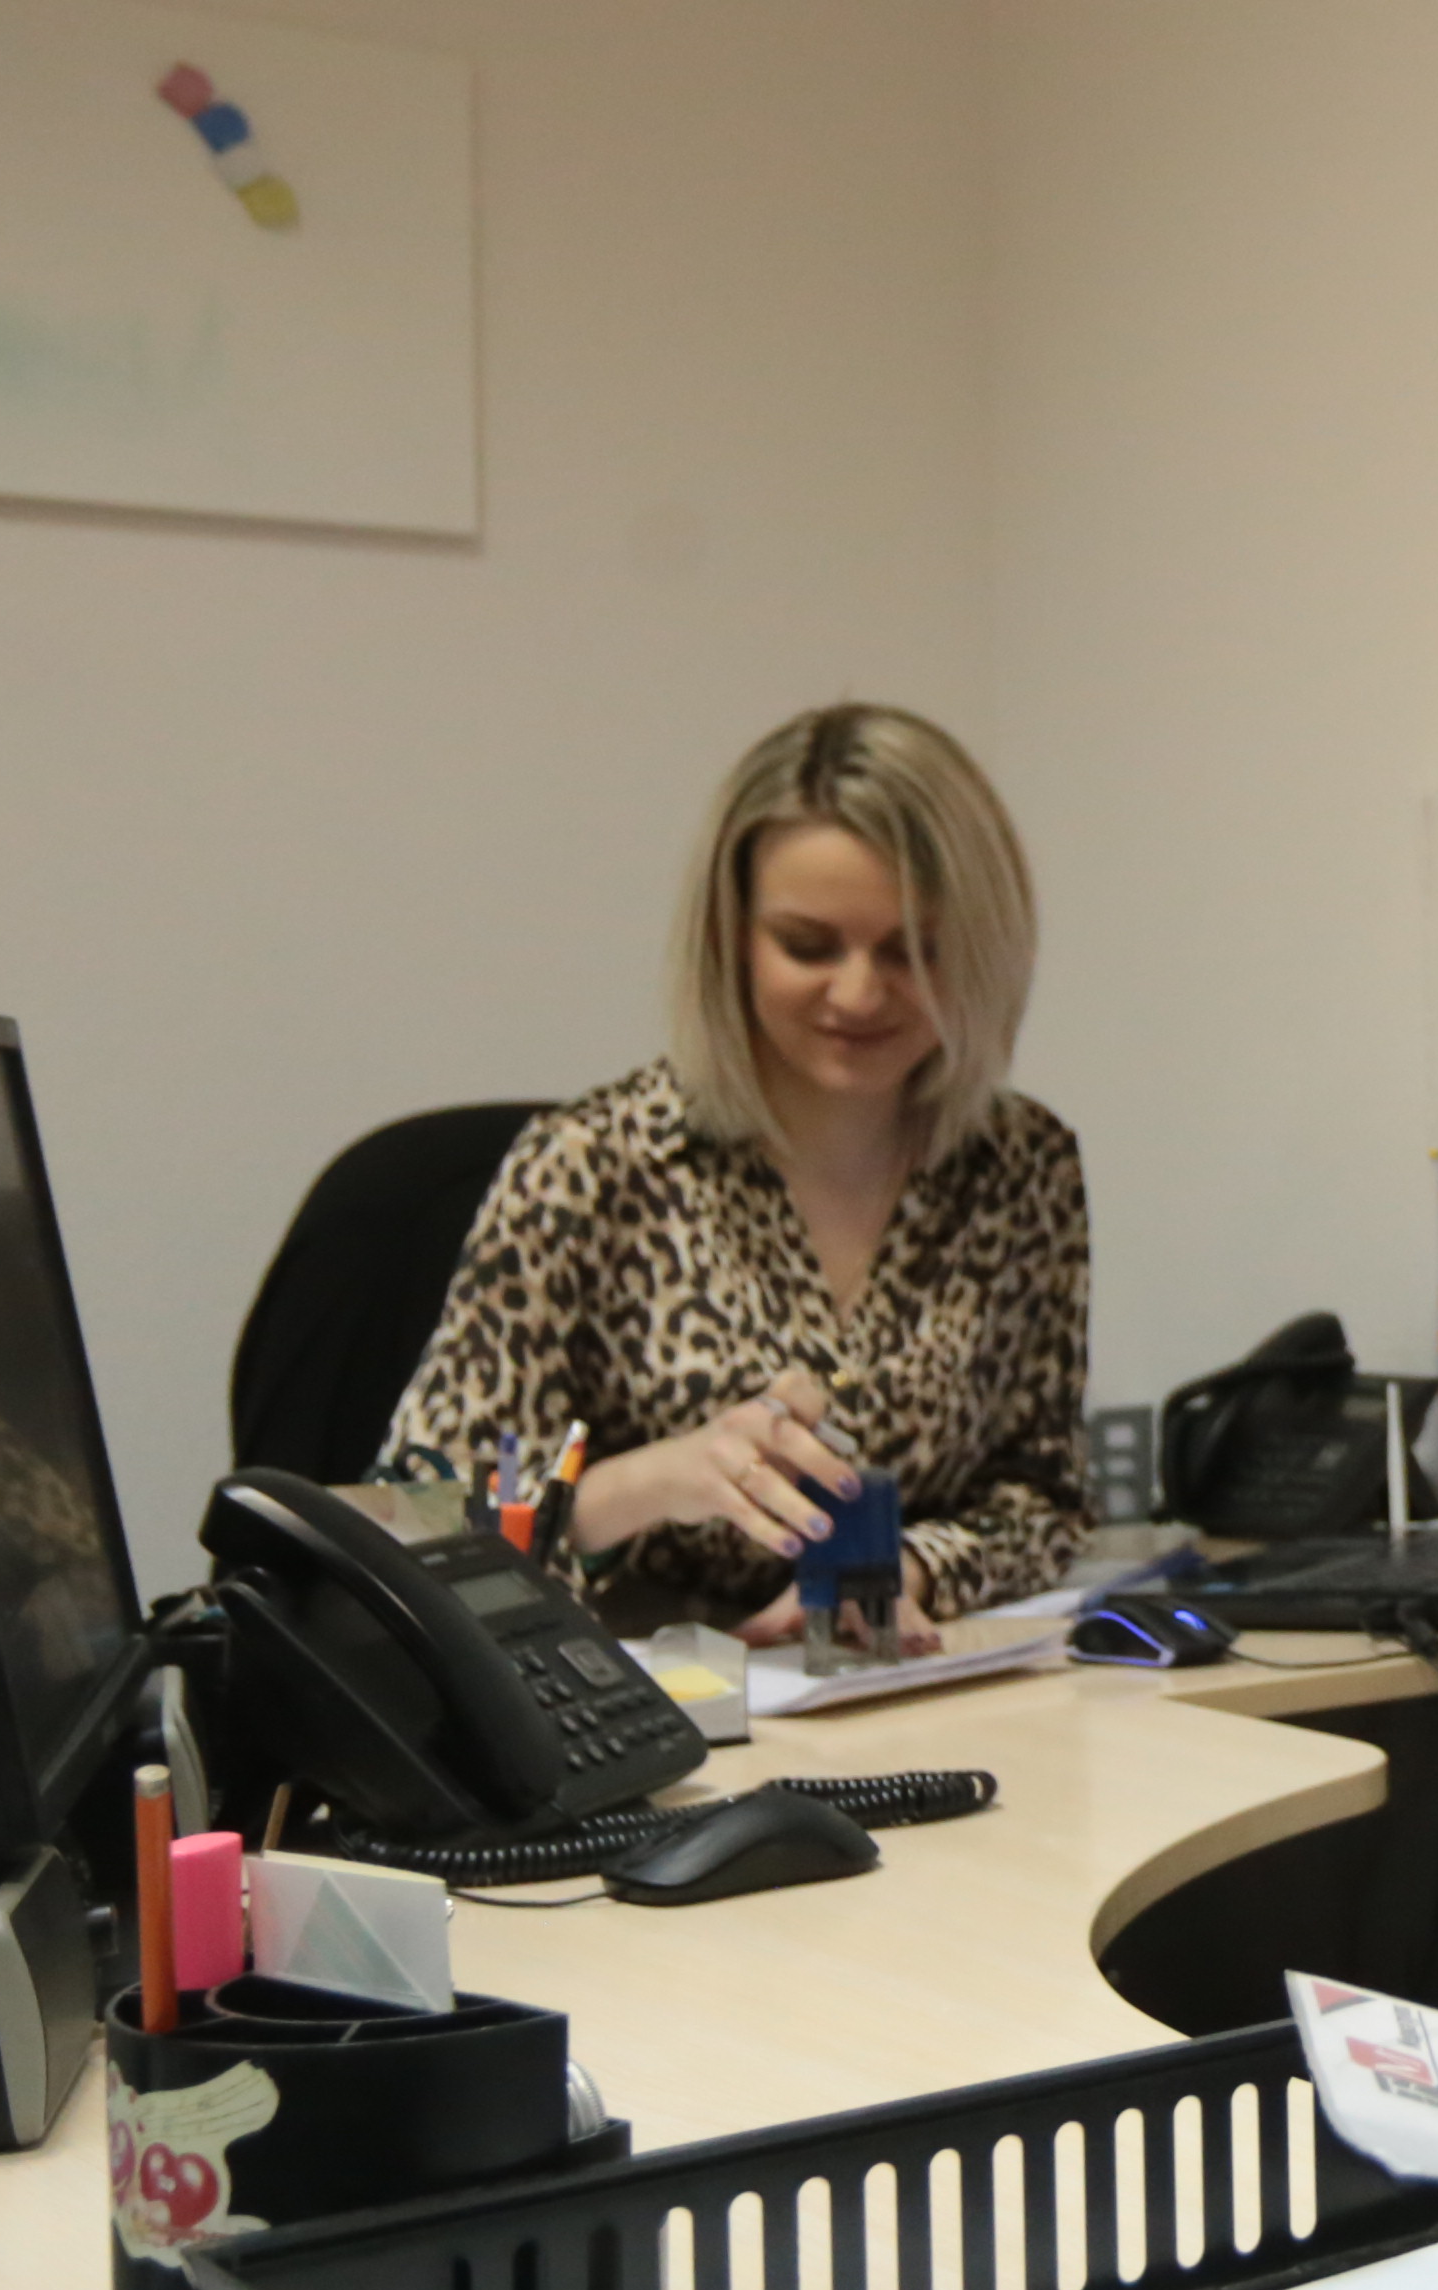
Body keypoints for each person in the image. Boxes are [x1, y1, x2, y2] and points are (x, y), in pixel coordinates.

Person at [395, 703, 1091, 1644]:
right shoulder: (592, 1169)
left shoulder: (1022, 1167)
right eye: (808, 946)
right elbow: (420, 1522)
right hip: (643, 1694)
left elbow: (1042, 1497)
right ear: (731, 939)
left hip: (898, 1682)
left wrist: (907, 1569)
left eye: (913, 952)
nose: (859, 993)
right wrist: (650, 1483)